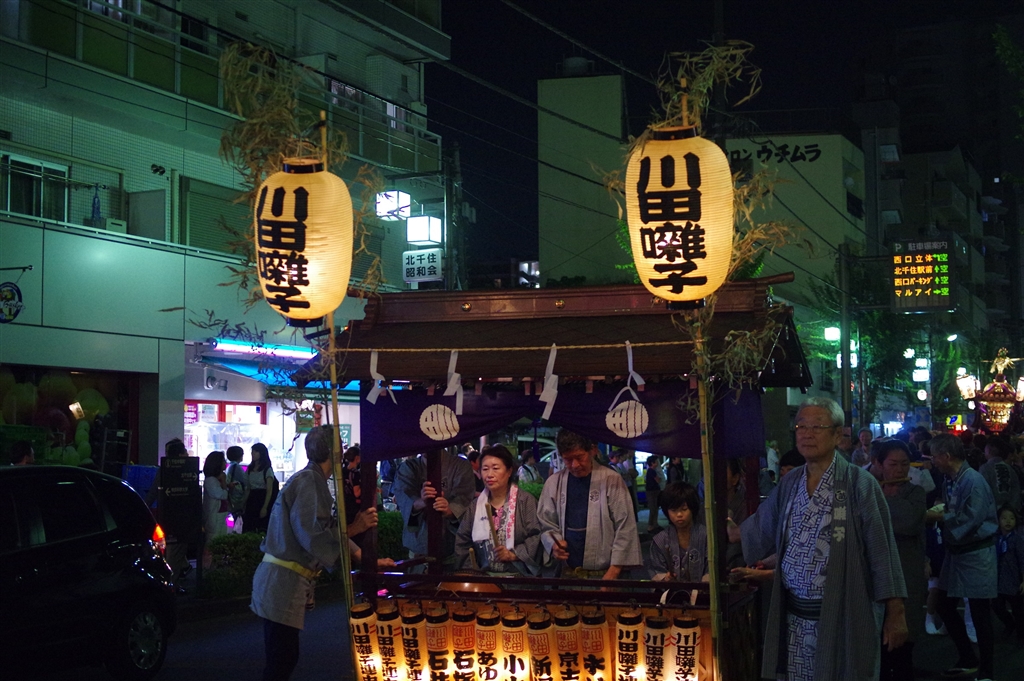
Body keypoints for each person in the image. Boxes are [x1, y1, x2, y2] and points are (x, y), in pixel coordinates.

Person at [729, 397, 907, 681]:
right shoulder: (790, 482)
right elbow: (760, 528)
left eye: (817, 427)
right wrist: (728, 528)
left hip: (843, 613)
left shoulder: (860, 484)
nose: (807, 434)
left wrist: (895, 612)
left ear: (837, 435)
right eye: (801, 426)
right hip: (794, 615)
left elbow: (881, 550)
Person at [249, 426, 342, 681]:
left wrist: (357, 550)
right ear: (333, 452)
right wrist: (353, 534)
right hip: (282, 581)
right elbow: (311, 533)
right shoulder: (310, 480)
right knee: (282, 658)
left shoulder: (309, 478)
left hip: (281, 579)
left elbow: (321, 530)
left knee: (282, 657)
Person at [926, 433, 999, 681]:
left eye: (935, 456)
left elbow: (972, 518)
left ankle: (987, 671)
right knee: (945, 606)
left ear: (946, 456)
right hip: (957, 552)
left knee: (980, 613)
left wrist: (940, 517)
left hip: (976, 552)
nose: (932, 461)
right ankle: (968, 658)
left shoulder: (973, 480)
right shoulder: (953, 479)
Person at [537, 429, 642, 579]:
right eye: (568, 459)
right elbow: (546, 524)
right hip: (569, 574)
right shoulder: (553, 483)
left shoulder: (612, 479)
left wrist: (615, 570)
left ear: (592, 450)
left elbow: (625, 526)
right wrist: (554, 544)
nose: (575, 465)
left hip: (606, 573)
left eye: (580, 457)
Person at [876, 439, 927, 681]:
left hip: (907, 575)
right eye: (893, 464)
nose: (899, 470)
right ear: (880, 465)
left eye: (904, 464)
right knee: (877, 650)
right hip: (875, 577)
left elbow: (908, 522)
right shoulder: (870, 490)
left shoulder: (916, 493)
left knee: (903, 648)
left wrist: (887, 501)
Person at [455, 444, 543, 575]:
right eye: (485, 469)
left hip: (519, 578)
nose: (489, 475)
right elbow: (462, 540)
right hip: (485, 580)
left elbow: (537, 535)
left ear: (509, 471)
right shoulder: (475, 506)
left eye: (496, 468)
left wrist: (514, 554)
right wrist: (472, 572)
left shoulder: (525, 501)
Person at [393, 448, 476, 571]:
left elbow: (465, 500)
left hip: (452, 557)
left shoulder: (460, 465)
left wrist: (449, 510)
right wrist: (421, 502)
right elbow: (404, 498)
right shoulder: (408, 468)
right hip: (418, 557)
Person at [647, 482, 708, 582]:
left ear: (693, 509)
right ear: (667, 511)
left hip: (702, 591)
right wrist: (666, 578)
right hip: (672, 591)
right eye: (673, 510)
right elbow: (656, 571)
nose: (679, 514)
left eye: (684, 509)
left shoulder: (706, 536)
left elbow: (712, 570)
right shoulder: (660, 540)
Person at [993, 505, 1024, 643]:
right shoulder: (995, 539)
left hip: (1014, 581)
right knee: (997, 607)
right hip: (998, 581)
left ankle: (1021, 635)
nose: (1008, 521)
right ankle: (1010, 624)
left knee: (1018, 611)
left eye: (1011, 518)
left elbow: (1022, 560)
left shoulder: (1017, 539)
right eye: (1004, 518)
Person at [979, 437, 1021, 514]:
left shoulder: (985, 469)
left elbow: (982, 493)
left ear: (989, 449)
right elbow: (1016, 492)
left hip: (992, 513)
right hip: (1009, 513)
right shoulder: (1011, 469)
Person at [244, 443, 278, 534]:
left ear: (261, 453)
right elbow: (248, 488)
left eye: (256, 451)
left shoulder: (267, 469)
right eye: (252, 451)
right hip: (251, 499)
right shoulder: (249, 469)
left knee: (261, 527)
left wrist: (265, 507)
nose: (253, 454)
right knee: (250, 526)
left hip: (262, 499)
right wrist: (243, 503)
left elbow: (269, 491)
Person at [202, 450, 231, 543]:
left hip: (220, 515)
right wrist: (224, 483)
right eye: (223, 461)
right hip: (214, 517)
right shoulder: (211, 480)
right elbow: (222, 495)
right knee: (213, 542)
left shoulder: (215, 479)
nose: (225, 463)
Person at [226, 446, 247, 532]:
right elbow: (245, 481)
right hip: (237, 497)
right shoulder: (237, 467)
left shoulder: (230, 466)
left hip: (232, 496)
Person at [644, 455, 667, 533]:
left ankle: (654, 524)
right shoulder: (652, 471)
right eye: (656, 462)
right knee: (653, 509)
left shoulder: (650, 471)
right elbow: (658, 480)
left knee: (655, 508)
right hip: (652, 492)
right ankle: (651, 525)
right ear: (652, 463)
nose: (657, 463)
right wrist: (660, 478)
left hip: (653, 491)